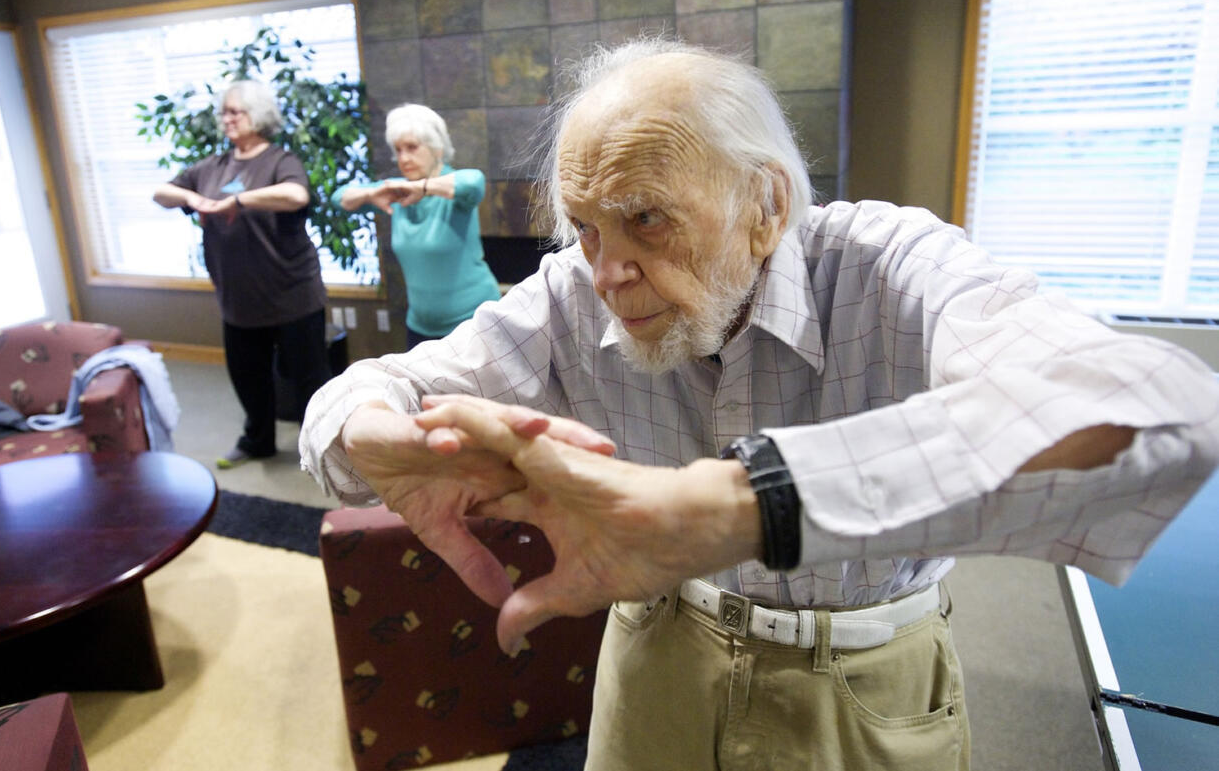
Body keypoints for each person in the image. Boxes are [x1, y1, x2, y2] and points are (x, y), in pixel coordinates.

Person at [298, 39, 1219, 770]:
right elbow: (362, 397)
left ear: (765, 204)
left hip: (862, 684)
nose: (608, 271)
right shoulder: (573, 290)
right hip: (657, 651)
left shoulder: (888, 266)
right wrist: (380, 436)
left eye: (645, 217)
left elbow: (1166, 408)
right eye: (585, 226)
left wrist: (735, 508)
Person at [154, 79, 331, 469]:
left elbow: (297, 195)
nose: (226, 119)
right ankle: (258, 442)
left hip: (292, 296)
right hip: (238, 301)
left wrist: (239, 200)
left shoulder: (281, 161)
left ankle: (322, 449)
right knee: (249, 380)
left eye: (235, 111)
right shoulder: (211, 167)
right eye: (224, 112)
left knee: (309, 380)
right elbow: (161, 193)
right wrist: (191, 198)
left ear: (259, 116)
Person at [332, 104, 500, 349]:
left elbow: (474, 182)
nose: (403, 159)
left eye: (412, 147)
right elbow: (339, 198)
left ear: (437, 149)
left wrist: (422, 187)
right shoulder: (397, 192)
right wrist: (372, 194)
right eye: (398, 150)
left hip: (473, 322)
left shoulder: (453, 188)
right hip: (420, 328)